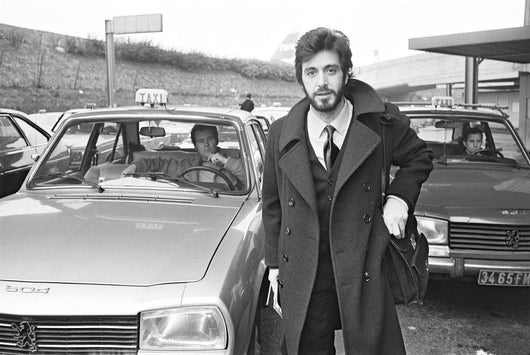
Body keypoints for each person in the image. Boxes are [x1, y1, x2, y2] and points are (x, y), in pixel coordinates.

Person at [262, 27, 433, 355]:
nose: (321, 82)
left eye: (331, 70)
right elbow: (272, 203)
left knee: (371, 346)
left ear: (346, 73)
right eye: (311, 72)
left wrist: (399, 198)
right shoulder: (282, 133)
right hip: (307, 267)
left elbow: (419, 157)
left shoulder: (380, 123)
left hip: (364, 262)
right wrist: (274, 264)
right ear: (301, 77)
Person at [133, 124, 245, 189]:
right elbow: (158, 163)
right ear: (195, 146)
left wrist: (226, 162)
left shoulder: (232, 162)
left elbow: (249, 179)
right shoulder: (186, 165)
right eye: (201, 141)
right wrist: (135, 167)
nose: (206, 145)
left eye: (210, 139)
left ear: (217, 140)